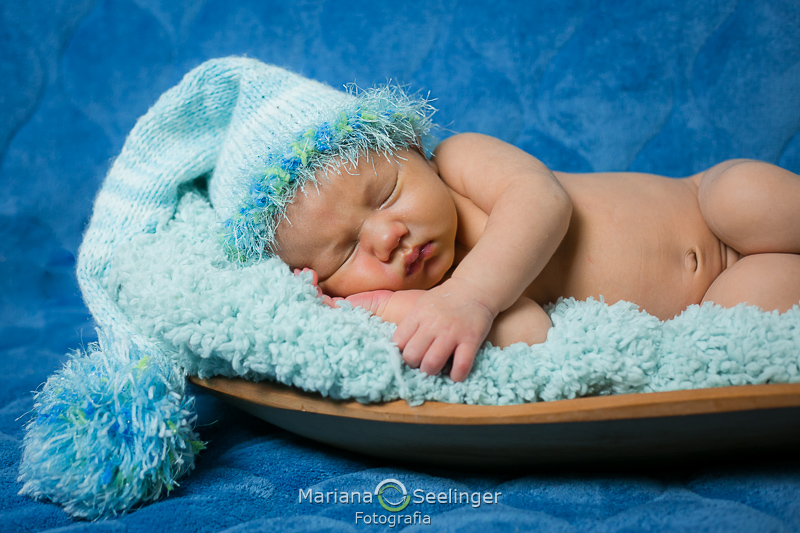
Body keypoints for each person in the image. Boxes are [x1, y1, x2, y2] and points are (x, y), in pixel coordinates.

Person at [275, 133, 800, 383]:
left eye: (387, 193)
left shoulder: (458, 162)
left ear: (413, 150)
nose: (387, 236)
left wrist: (470, 296)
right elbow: (531, 331)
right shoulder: (438, 307)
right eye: (345, 254)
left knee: (748, 197)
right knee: (752, 306)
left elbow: (542, 201)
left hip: (704, 205)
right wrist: (384, 309)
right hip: (711, 299)